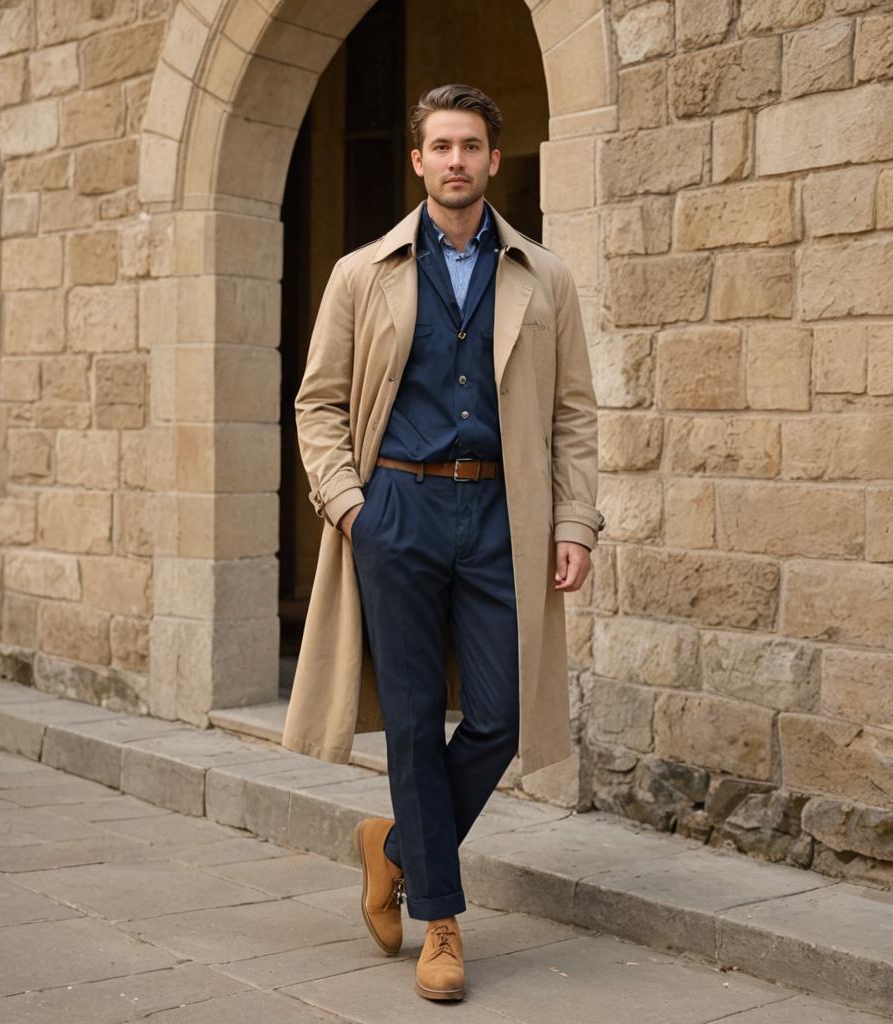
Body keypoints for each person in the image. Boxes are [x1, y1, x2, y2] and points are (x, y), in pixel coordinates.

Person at [284, 83, 605, 1001]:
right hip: (399, 513)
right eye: (442, 147)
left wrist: (575, 522)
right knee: (417, 722)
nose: (457, 160)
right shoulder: (362, 274)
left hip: (506, 515)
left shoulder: (545, 277)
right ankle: (442, 925)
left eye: (472, 146)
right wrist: (352, 506)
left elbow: (574, 414)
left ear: (494, 162)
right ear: (418, 161)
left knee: (502, 719)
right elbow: (320, 405)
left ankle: (393, 846)